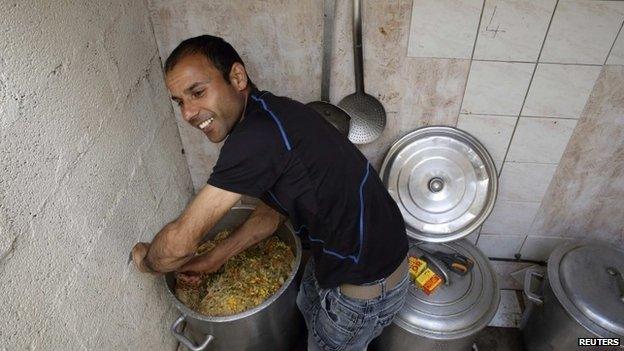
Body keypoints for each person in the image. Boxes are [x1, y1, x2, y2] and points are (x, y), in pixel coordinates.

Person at [131, 35, 409, 351]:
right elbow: (268, 216)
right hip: (359, 259)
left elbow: (179, 244)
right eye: (180, 101)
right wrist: (213, 258)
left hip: (365, 287)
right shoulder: (271, 113)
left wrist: (145, 260)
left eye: (197, 92)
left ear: (237, 77)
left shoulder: (255, 139)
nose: (188, 113)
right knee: (306, 308)